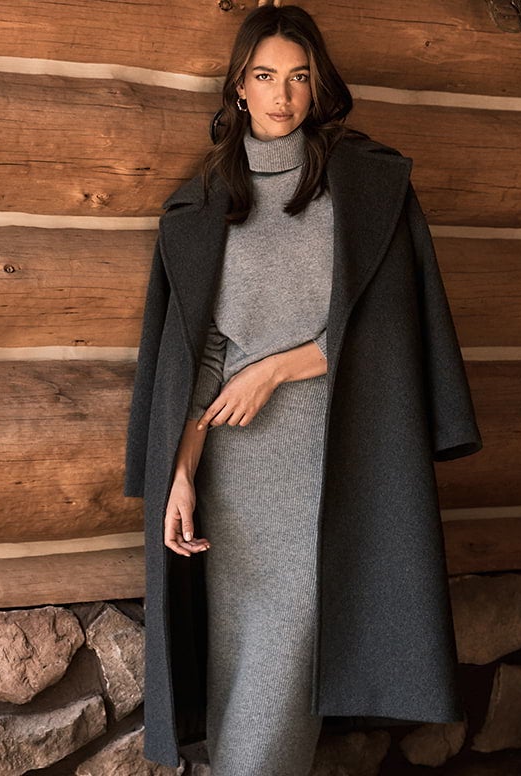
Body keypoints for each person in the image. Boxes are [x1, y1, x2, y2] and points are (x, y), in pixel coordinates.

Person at [124, 3, 482, 773]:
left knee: (283, 664)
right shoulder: (206, 204)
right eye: (264, 76)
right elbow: (205, 353)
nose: (281, 94)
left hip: (338, 461)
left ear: (319, 87)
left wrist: (278, 367)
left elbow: (385, 330)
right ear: (238, 88)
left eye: (298, 77)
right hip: (237, 481)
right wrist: (182, 472)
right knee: (237, 670)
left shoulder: (365, 190)